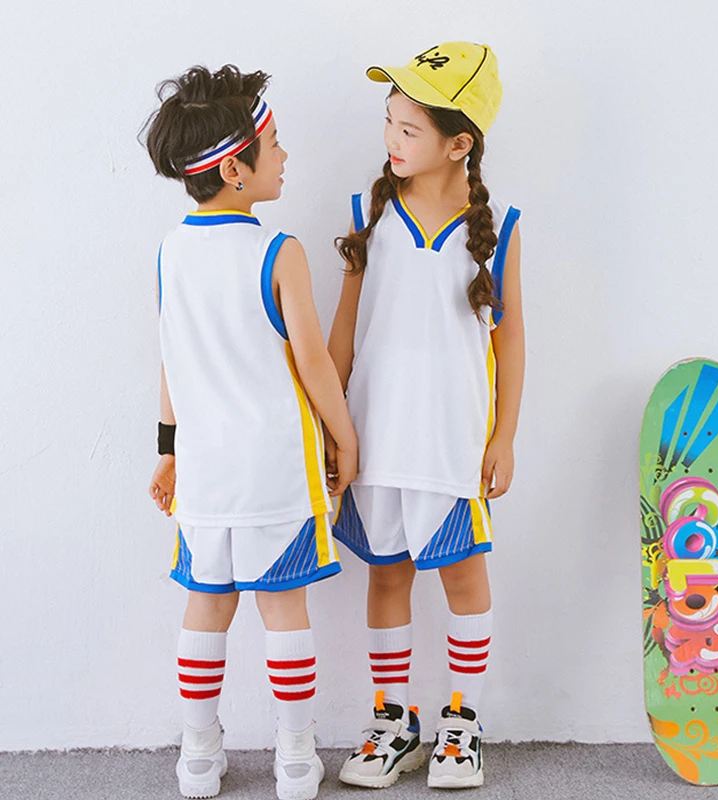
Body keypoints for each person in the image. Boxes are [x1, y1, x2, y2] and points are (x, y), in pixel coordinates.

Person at [143, 64, 357, 800]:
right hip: (276, 468)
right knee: (283, 609)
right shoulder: (279, 251)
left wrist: (167, 451)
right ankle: (294, 757)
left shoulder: (171, 251)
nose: (286, 155)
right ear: (235, 169)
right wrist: (344, 436)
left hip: (205, 471)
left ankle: (198, 754)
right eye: (275, 144)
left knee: (206, 605)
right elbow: (314, 364)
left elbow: (171, 361)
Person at [327, 42, 524, 789]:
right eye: (389, 122)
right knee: (387, 577)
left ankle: (463, 723)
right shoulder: (367, 214)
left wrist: (504, 436)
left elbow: (511, 339)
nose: (391, 139)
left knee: (464, 577)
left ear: (459, 143)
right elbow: (343, 331)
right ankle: (394, 722)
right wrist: (329, 425)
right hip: (376, 439)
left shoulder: (498, 226)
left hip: (451, 444)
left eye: (408, 129)